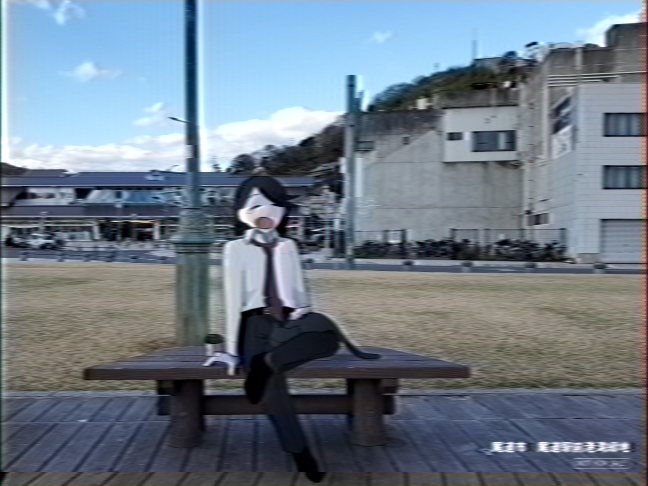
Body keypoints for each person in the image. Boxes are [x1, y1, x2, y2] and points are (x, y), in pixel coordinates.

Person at [222, 173, 378, 482]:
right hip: (255, 322)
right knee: (274, 388)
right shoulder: (235, 248)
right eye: (255, 205)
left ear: (282, 210)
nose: (265, 213)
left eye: (272, 206)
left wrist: (303, 310)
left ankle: (268, 363)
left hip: (290, 320)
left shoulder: (289, 246)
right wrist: (230, 350)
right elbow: (231, 299)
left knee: (328, 338)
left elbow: (298, 289)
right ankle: (300, 450)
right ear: (241, 211)